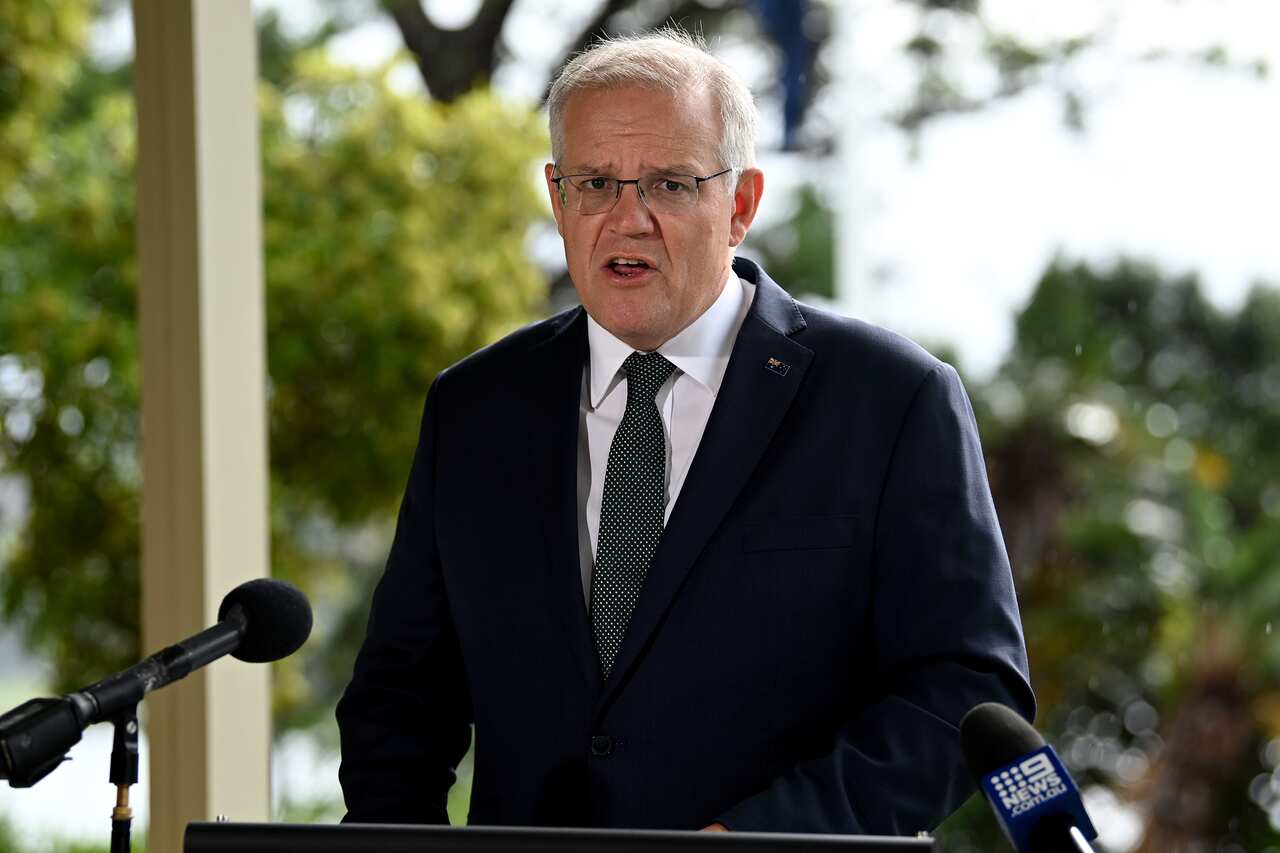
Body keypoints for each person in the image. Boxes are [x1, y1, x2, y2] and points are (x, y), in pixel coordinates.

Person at [336, 28, 1034, 835]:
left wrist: (762, 838)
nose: (627, 220)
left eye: (669, 185)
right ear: (558, 198)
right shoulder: (475, 409)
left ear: (738, 204)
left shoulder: (890, 401)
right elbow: (401, 695)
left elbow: (965, 690)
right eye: (596, 183)